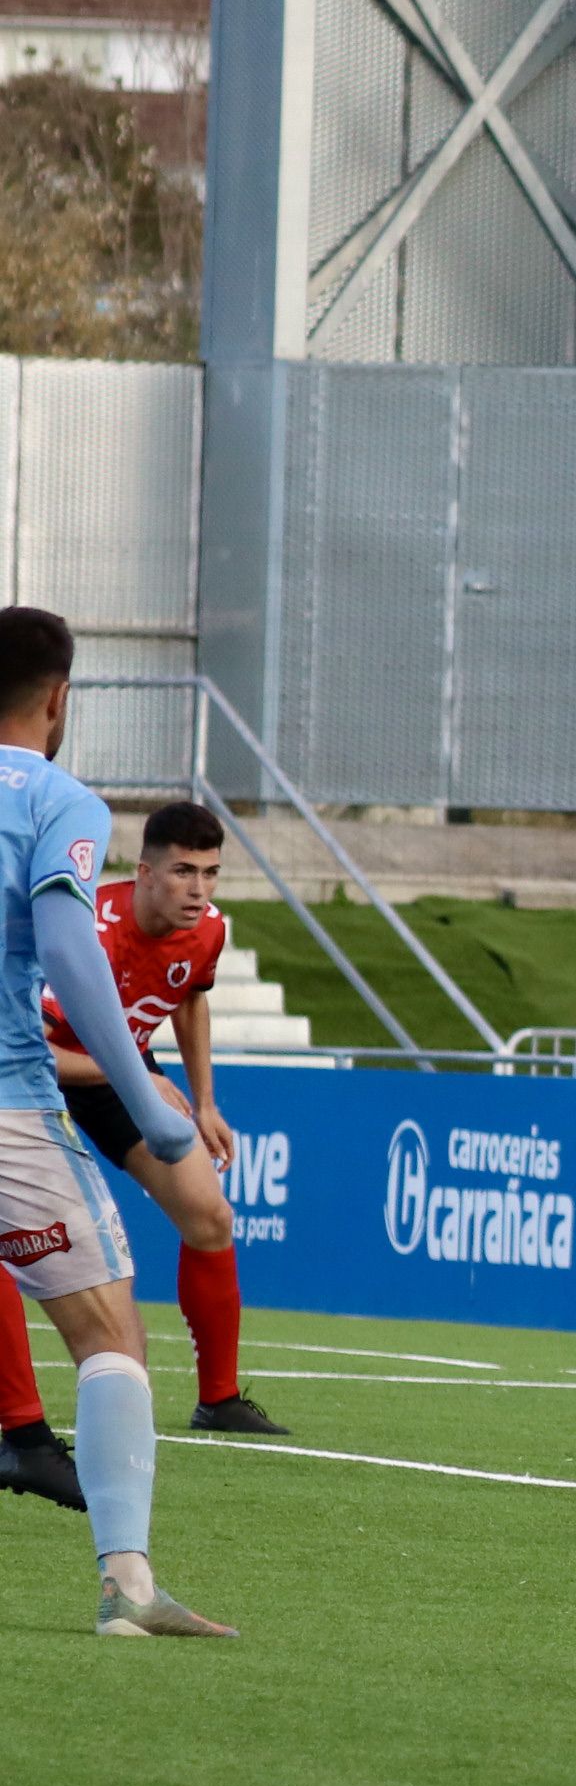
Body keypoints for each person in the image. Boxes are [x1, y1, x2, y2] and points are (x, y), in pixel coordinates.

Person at [0, 609, 231, 1635]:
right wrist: (148, 1102)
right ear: (58, 700)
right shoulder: (58, 801)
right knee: (106, 1333)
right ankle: (129, 1587)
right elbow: (64, 942)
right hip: (7, 1102)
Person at [17, 800, 275, 1436]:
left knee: (210, 1215)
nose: (199, 890)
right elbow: (41, 1051)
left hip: (122, 1073)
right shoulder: (92, 933)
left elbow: (189, 999)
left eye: (211, 873)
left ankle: (218, 1400)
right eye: (185, 871)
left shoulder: (209, 929)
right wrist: (138, 1077)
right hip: (37, 1073)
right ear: (144, 873)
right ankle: (20, 1420)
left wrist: (204, 1100)